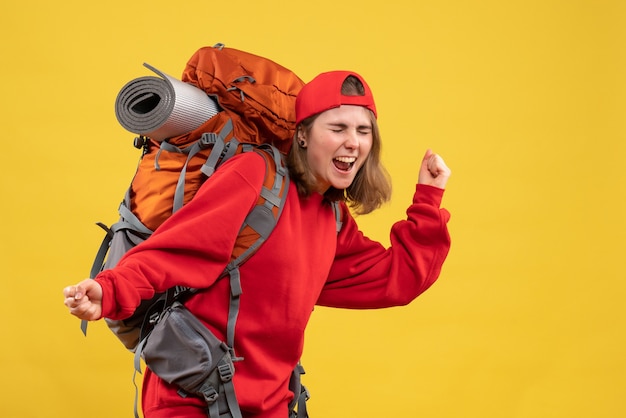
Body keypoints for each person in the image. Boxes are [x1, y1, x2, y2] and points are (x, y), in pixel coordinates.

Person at [63, 70, 452, 418]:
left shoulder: (331, 218)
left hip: (270, 404)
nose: (353, 142)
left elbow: (395, 278)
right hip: (192, 401)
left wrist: (428, 200)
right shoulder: (256, 176)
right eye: (338, 128)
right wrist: (110, 289)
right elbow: (179, 248)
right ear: (303, 134)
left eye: (363, 131)